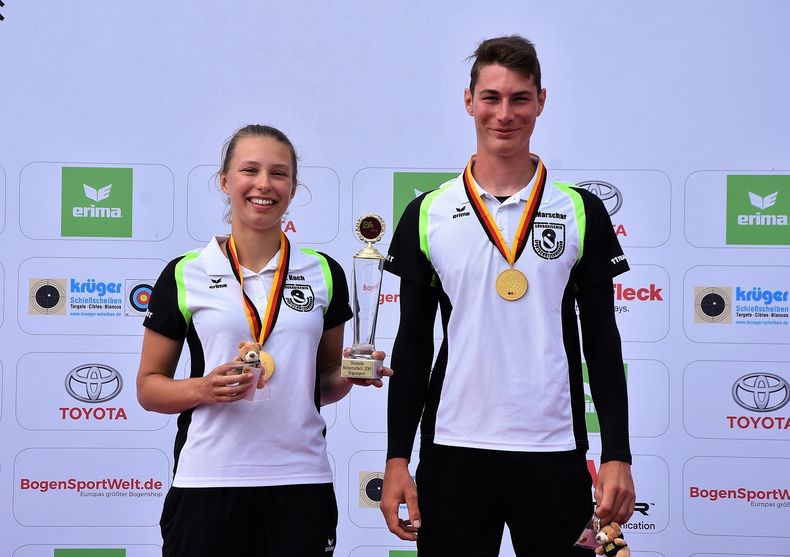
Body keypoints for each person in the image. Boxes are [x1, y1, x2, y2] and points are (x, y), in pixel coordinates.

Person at [380, 36, 635, 556]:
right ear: (469, 101)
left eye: (520, 98)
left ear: (542, 101)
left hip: (554, 450)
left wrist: (618, 454)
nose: (504, 114)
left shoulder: (581, 210)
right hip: (453, 450)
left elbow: (603, 342)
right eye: (491, 98)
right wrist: (396, 458)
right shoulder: (426, 213)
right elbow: (412, 345)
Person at [137, 124, 389, 557]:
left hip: (300, 480)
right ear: (225, 181)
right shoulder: (185, 272)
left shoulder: (325, 272)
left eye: (279, 173)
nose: (264, 184)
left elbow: (322, 384)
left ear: (293, 187)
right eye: (249, 170)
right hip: (209, 481)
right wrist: (202, 388)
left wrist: (350, 375)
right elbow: (148, 387)